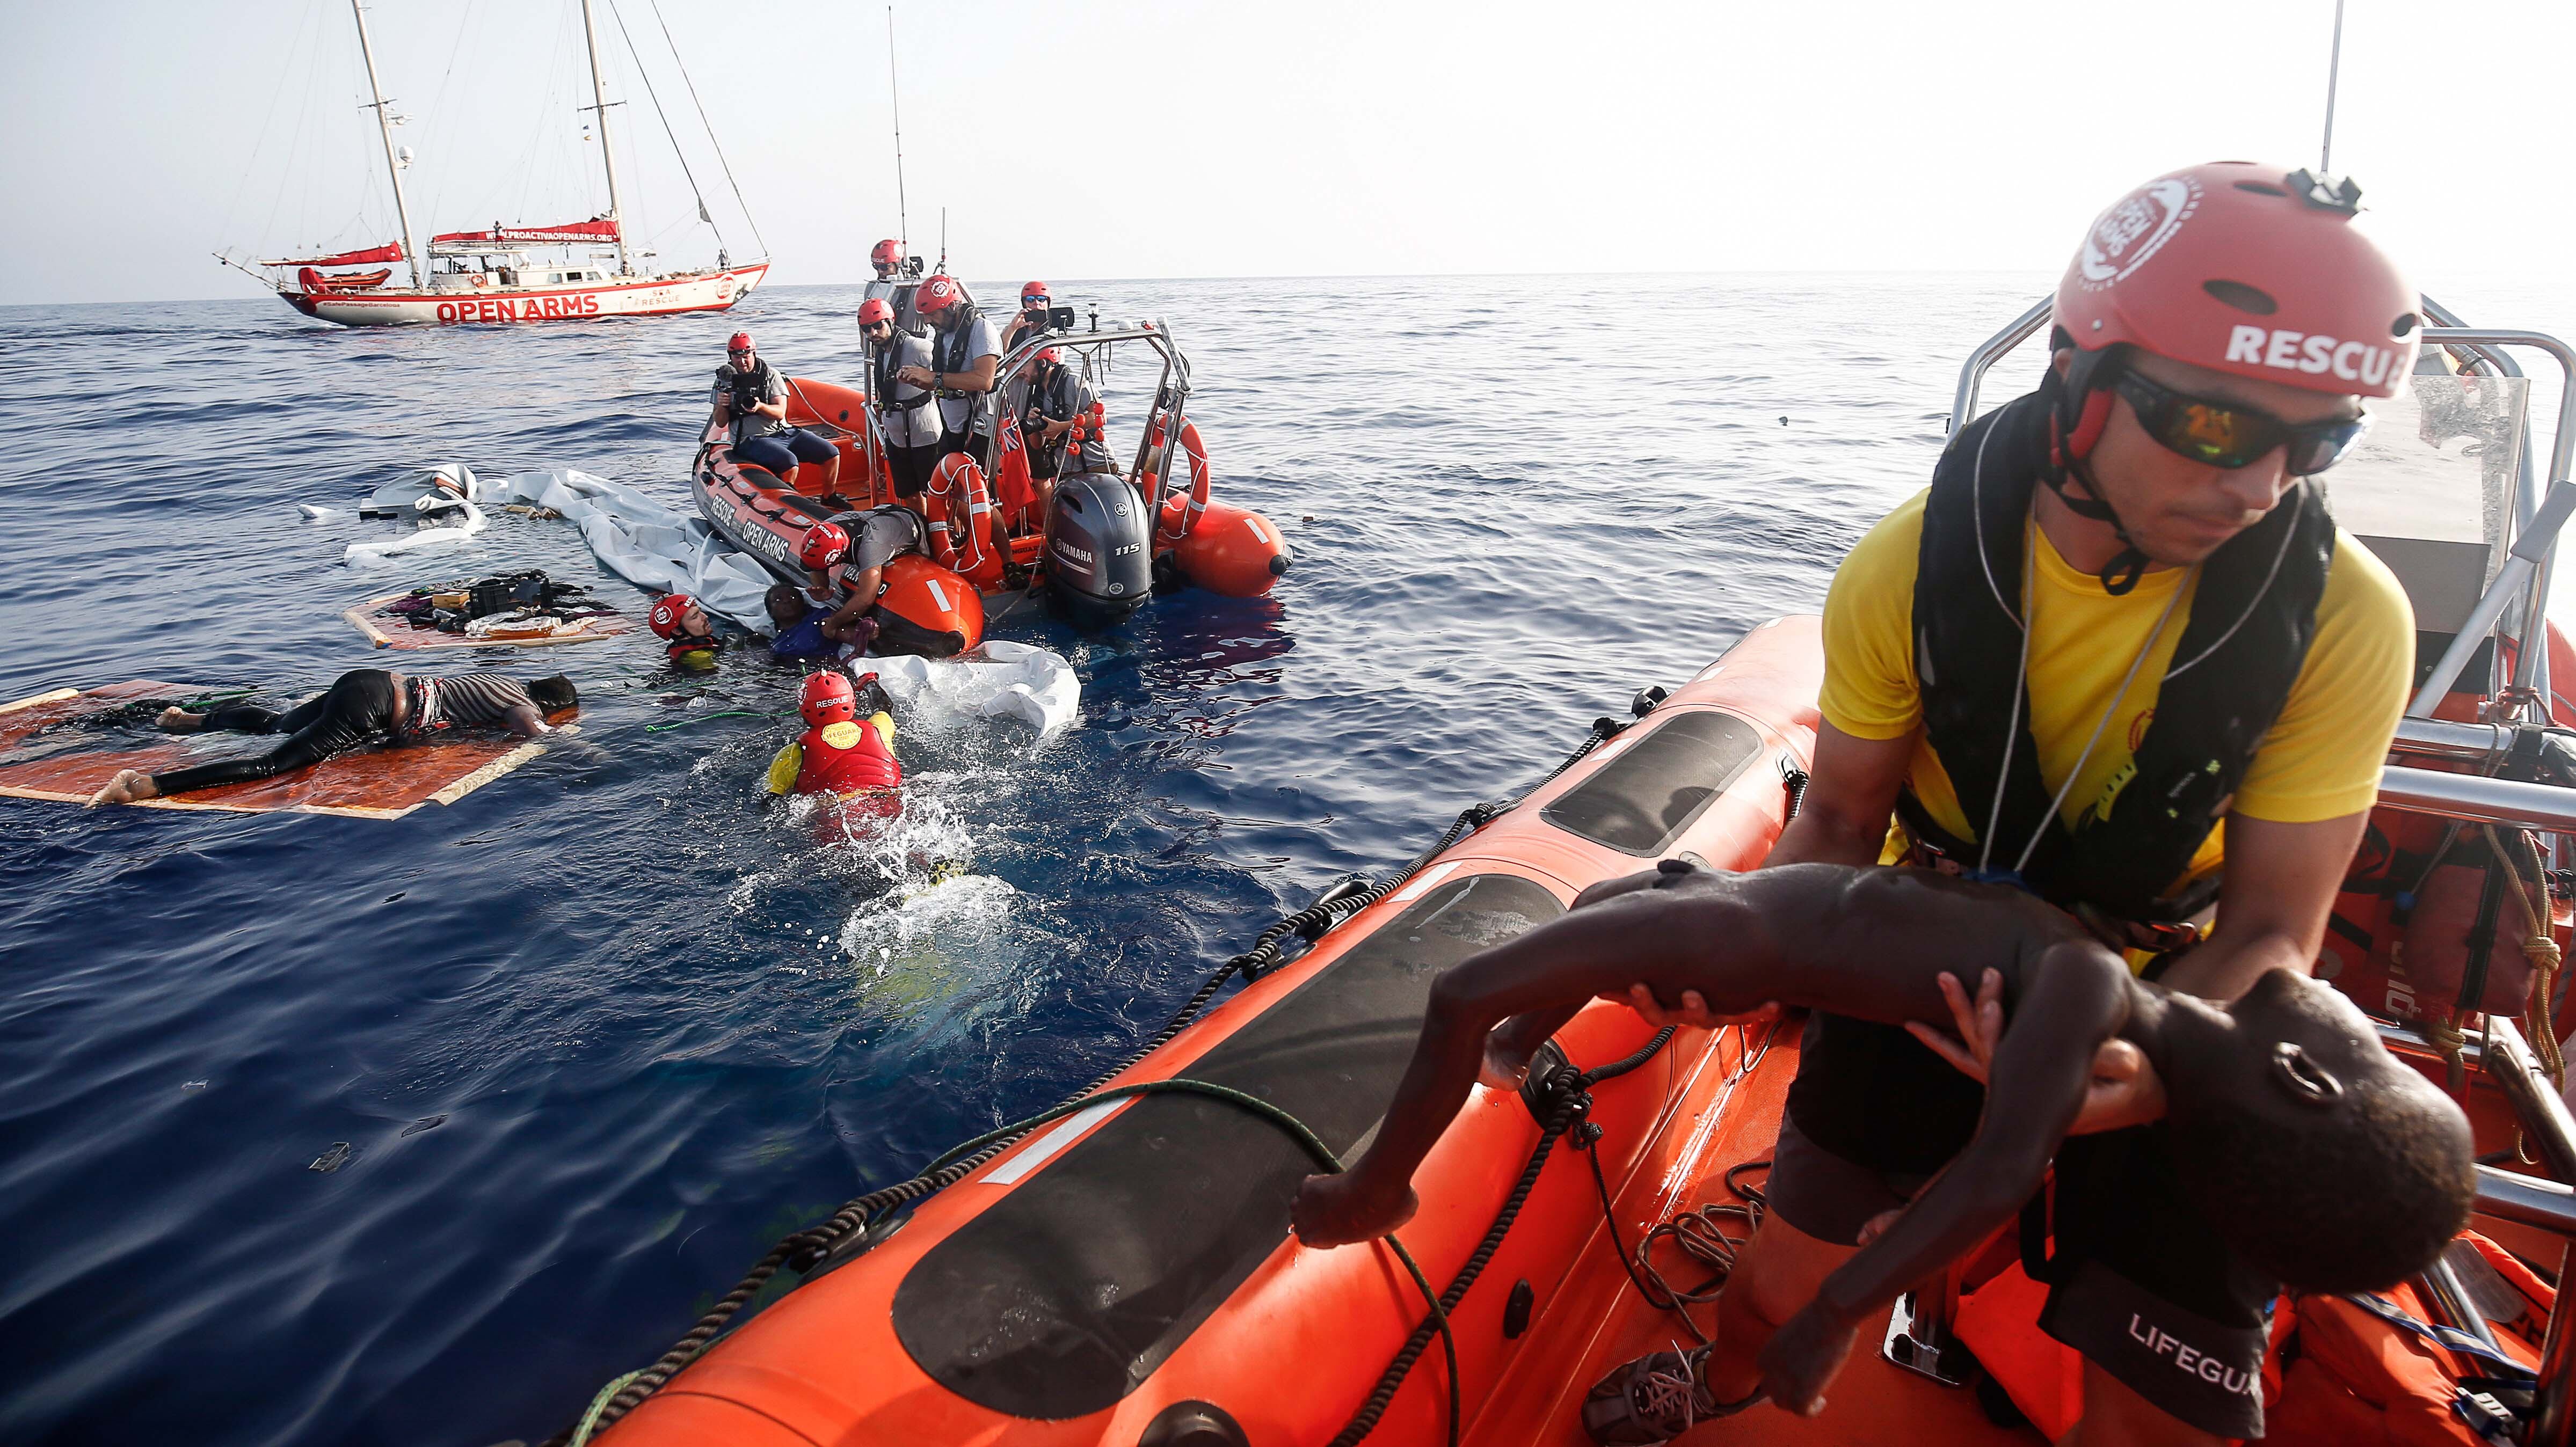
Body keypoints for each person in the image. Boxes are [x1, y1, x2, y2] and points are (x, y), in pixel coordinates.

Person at [1591, 161, 2423, 1445]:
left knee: (2163, 1425)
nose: (2259, 485)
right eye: (2214, 427)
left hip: (2179, 1006)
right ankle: (1726, 1385)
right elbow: (1834, 826)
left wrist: (2135, 1069)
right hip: (1929, 966)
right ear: (2078, 383)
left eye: (2318, 442)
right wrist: (1728, 951)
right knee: (1770, 1296)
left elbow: (2272, 925)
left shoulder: (2346, 620)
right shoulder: (1906, 568)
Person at [1290, 860, 2475, 1430]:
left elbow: (2001, 1167)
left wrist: (1833, 1313)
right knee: (1604, 907)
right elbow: (1996, 1162)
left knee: (1458, 988)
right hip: (1764, 910)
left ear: (2308, 1075)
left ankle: (1374, 1190)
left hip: (1749, 939)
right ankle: (1510, 1053)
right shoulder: (2095, 992)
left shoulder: (2082, 983)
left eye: (2363, 1047)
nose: (2345, 1011)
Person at [86, 670, 576, 806]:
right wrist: (585, 749)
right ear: (548, 704)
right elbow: (537, 737)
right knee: (273, 766)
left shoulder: (502, 682)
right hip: (376, 709)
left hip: (368, 681)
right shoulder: (526, 707)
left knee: (277, 722)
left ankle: (187, 721)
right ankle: (148, 785)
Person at [716, 332, 842, 498]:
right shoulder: (724, 380)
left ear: (753, 353)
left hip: (783, 432)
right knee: (789, 463)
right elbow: (720, 422)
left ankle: (829, 497)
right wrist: (722, 405)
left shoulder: (770, 375)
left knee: (831, 453)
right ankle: (785, 501)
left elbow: (780, 412)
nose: (742, 361)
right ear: (730, 357)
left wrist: (760, 406)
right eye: (737, 357)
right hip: (750, 439)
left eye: (746, 356)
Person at [903, 275, 1001, 469]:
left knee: (974, 492)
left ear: (951, 307)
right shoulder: (944, 334)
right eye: (923, 315)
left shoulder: (981, 329)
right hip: (952, 426)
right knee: (943, 484)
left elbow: (985, 380)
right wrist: (921, 380)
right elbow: (945, 381)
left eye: (932, 314)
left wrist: (933, 377)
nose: (927, 321)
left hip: (979, 426)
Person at [765, 669, 902, 801]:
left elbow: (772, 800)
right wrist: (869, 683)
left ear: (805, 709)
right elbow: (884, 705)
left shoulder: (793, 752)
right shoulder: (879, 728)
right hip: (888, 799)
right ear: (851, 702)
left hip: (834, 811)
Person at [859, 297, 944, 503]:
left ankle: (949, 532)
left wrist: (927, 378)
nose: (873, 333)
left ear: (890, 322)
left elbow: (947, 373)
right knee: (908, 494)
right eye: (867, 329)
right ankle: (923, 533)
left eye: (878, 326)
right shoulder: (881, 351)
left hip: (924, 432)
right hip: (896, 434)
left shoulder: (917, 347)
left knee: (937, 494)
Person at [1016, 346, 1113, 512]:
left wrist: (1061, 427)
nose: (1021, 370)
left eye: (1026, 364)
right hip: (1066, 471)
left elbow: (1100, 417)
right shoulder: (1038, 397)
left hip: (1096, 465)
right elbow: (1038, 445)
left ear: (1043, 363)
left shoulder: (1076, 383)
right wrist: (1033, 426)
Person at [799, 516, 919, 648]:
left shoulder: (871, 549)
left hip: (910, 524)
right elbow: (816, 565)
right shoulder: (828, 526)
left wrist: (833, 624)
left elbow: (866, 599)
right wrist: (822, 587)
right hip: (880, 518)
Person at [765, 582, 847, 663]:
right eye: (778, 600)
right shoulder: (780, 648)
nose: (787, 601)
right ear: (770, 611)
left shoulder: (824, 616)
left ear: (802, 603)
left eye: (793, 597)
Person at [648, 592, 724, 670]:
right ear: (677, 631)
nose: (705, 617)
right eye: (695, 617)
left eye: (700, 612)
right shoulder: (698, 658)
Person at [999, 280, 1053, 355]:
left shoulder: (1055, 330)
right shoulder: (1014, 328)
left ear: (1048, 303)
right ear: (1024, 304)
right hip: (1016, 365)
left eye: (1041, 299)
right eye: (1030, 299)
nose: (1037, 303)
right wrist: (1013, 328)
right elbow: (1000, 352)